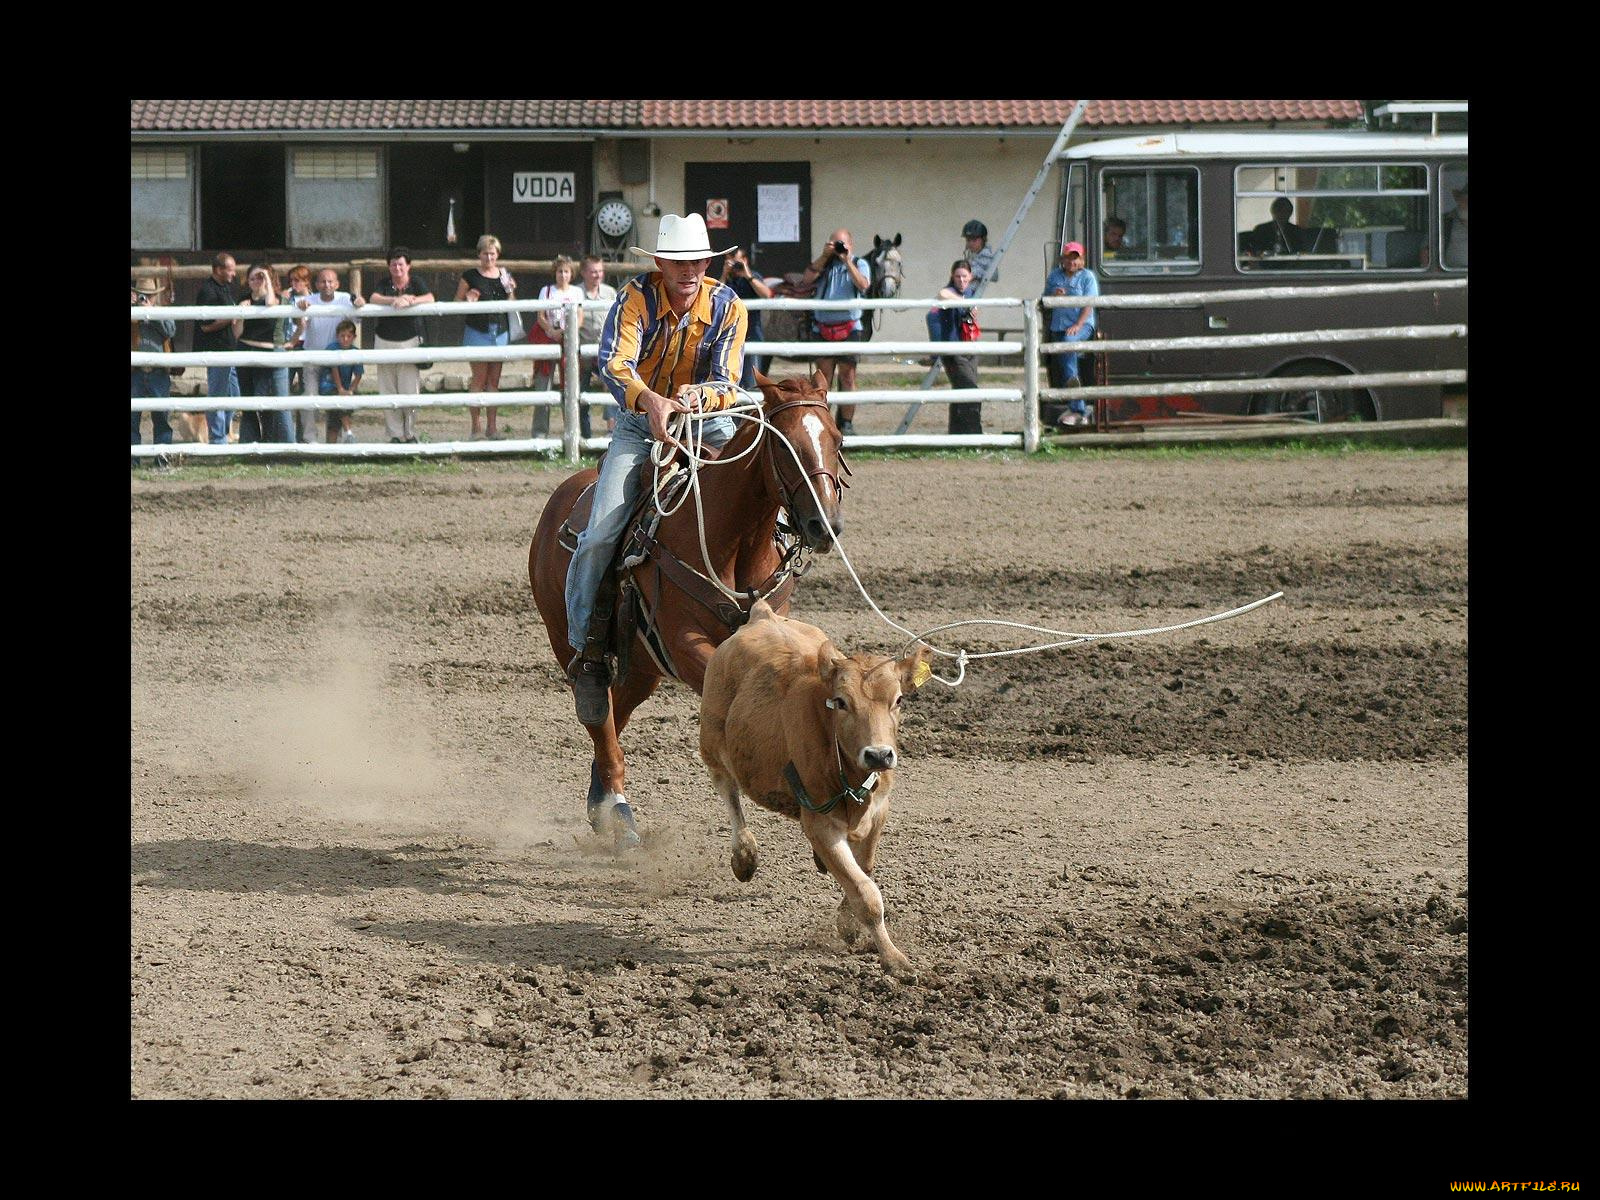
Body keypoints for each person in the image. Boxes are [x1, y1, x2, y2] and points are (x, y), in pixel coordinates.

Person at [565, 213, 748, 724]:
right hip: (639, 425)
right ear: (661, 263)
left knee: (755, 497)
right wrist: (649, 400)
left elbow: (728, 380)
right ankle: (587, 654)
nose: (688, 270)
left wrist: (697, 396)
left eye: (696, 262)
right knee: (600, 532)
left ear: (707, 263)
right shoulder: (635, 299)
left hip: (705, 422)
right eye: (677, 261)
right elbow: (613, 362)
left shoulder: (729, 307)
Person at [801, 228, 870, 435]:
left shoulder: (859, 263)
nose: (838, 247)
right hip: (822, 328)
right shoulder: (824, 264)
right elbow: (806, 280)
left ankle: (846, 425)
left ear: (851, 245)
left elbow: (864, 285)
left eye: (841, 243)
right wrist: (824, 256)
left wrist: (847, 260)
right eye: (834, 243)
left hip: (849, 327)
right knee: (823, 380)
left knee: (848, 378)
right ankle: (823, 423)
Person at [367, 247, 434, 444]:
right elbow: (374, 298)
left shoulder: (417, 282)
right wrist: (394, 300)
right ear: (389, 267)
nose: (397, 268)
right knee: (388, 389)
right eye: (393, 264)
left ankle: (410, 433)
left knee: (409, 389)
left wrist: (410, 300)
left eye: (401, 264)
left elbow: (430, 298)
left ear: (408, 266)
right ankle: (395, 435)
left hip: (410, 341)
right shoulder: (384, 283)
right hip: (385, 341)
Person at [455, 234, 516, 440]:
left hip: (499, 331)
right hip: (477, 331)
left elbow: (511, 303)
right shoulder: (470, 276)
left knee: (494, 381)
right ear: (479, 254)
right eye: (485, 253)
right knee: (479, 380)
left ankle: (492, 428)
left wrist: (512, 291)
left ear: (497, 254)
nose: (489, 257)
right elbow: (457, 303)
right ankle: (476, 428)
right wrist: (468, 301)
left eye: (492, 253)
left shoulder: (504, 275)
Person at [296, 268, 364, 441]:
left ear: (337, 284)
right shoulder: (308, 300)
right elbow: (296, 313)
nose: (327, 285)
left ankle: (334, 441)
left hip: (338, 360)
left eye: (330, 281)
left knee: (337, 399)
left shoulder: (345, 298)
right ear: (316, 284)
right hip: (313, 358)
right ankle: (310, 439)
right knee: (309, 398)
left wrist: (359, 304)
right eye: (323, 281)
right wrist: (300, 308)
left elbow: (358, 316)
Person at [234, 263, 296, 444]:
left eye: (259, 277)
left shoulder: (277, 298)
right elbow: (237, 333)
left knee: (271, 402)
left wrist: (267, 278)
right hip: (245, 349)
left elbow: (269, 304)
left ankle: (283, 446)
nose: (255, 281)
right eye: (252, 278)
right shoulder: (244, 299)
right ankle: (249, 445)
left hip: (268, 351)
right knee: (248, 401)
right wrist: (241, 314)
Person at [1043, 241, 1099, 428]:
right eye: (1068, 257)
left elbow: (1089, 303)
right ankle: (1077, 405)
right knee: (1066, 363)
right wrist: (1054, 297)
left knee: (1068, 344)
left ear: (1082, 260)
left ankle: (1077, 408)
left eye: (1075, 257)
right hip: (1058, 326)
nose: (1072, 261)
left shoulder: (1087, 277)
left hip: (1081, 326)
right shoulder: (1054, 276)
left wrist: (1078, 324)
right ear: (1063, 259)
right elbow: (1044, 300)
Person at [530, 255, 584, 437]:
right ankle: (539, 432)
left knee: (568, 387)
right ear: (555, 273)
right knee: (542, 386)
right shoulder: (546, 291)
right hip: (548, 339)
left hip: (568, 342)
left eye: (566, 272)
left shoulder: (577, 292)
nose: (563, 275)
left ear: (571, 274)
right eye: (560, 271)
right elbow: (540, 316)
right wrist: (551, 331)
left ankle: (570, 432)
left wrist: (568, 332)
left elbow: (580, 316)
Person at [192, 252, 241, 444]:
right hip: (216, 349)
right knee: (218, 393)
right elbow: (205, 325)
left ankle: (222, 431)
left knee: (234, 394)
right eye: (230, 270)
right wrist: (232, 316)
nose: (234, 274)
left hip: (228, 349)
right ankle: (217, 436)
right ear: (218, 270)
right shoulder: (208, 291)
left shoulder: (225, 289)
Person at [935, 260, 983, 435]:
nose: (961, 280)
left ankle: (956, 435)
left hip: (970, 348)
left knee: (961, 390)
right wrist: (964, 302)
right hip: (954, 351)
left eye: (964, 276)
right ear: (952, 277)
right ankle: (974, 433)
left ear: (970, 277)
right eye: (958, 276)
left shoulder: (972, 292)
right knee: (970, 390)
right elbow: (941, 295)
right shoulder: (950, 291)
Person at [131, 277, 175, 452]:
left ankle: (162, 455)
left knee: (162, 417)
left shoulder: (163, 312)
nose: (146, 299)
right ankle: (134, 458)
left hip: (158, 370)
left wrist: (152, 313)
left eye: (149, 295)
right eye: (143, 295)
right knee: (132, 418)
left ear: (155, 296)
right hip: (135, 371)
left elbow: (170, 331)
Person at [721, 247, 773, 391]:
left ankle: (752, 412)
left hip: (752, 335)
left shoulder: (753, 276)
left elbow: (767, 294)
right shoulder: (726, 279)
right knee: (729, 381)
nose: (734, 265)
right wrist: (725, 274)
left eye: (737, 261)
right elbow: (715, 296)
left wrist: (748, 275)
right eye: (729, 261)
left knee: (752, 383)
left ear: (745, 260)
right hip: (728, 336)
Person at [577, 255, 618, 437]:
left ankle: (611, 430)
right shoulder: (576, 292)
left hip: (605, 350)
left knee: (611, 388)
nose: (597, 275)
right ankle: (584, 433)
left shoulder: (610, 292)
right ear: (584, 273)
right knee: (581, 391)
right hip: (582, 350)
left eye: (600, 271)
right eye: (593, 271)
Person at [318, 319, 364, 443]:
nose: (345, 339)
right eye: (342, 336)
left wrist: (351, 390)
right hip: (329, 386)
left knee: (335, 417)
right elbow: (334, 369)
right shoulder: (332, 348)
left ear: (354, 337)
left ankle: (333, 446)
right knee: (338, 409)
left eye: (349, 336)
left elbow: (358, 374)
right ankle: (349, 433)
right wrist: (341, 389)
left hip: (344, 387)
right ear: (337, 336)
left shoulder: (355, 352)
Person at [962, 218, 1000, 284]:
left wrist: (975, 273)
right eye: (968, 240)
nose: (970, 243)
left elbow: (994, 276)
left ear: (983, 239)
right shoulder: (970, 254)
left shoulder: (985, 254)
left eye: (974, 239)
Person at [1442, 183, 1468, 269]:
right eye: (1464, 199)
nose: (1466, 204)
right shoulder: (1444, 220)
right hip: (1450, 274)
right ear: (1458, 200)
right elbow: (1426, 251)